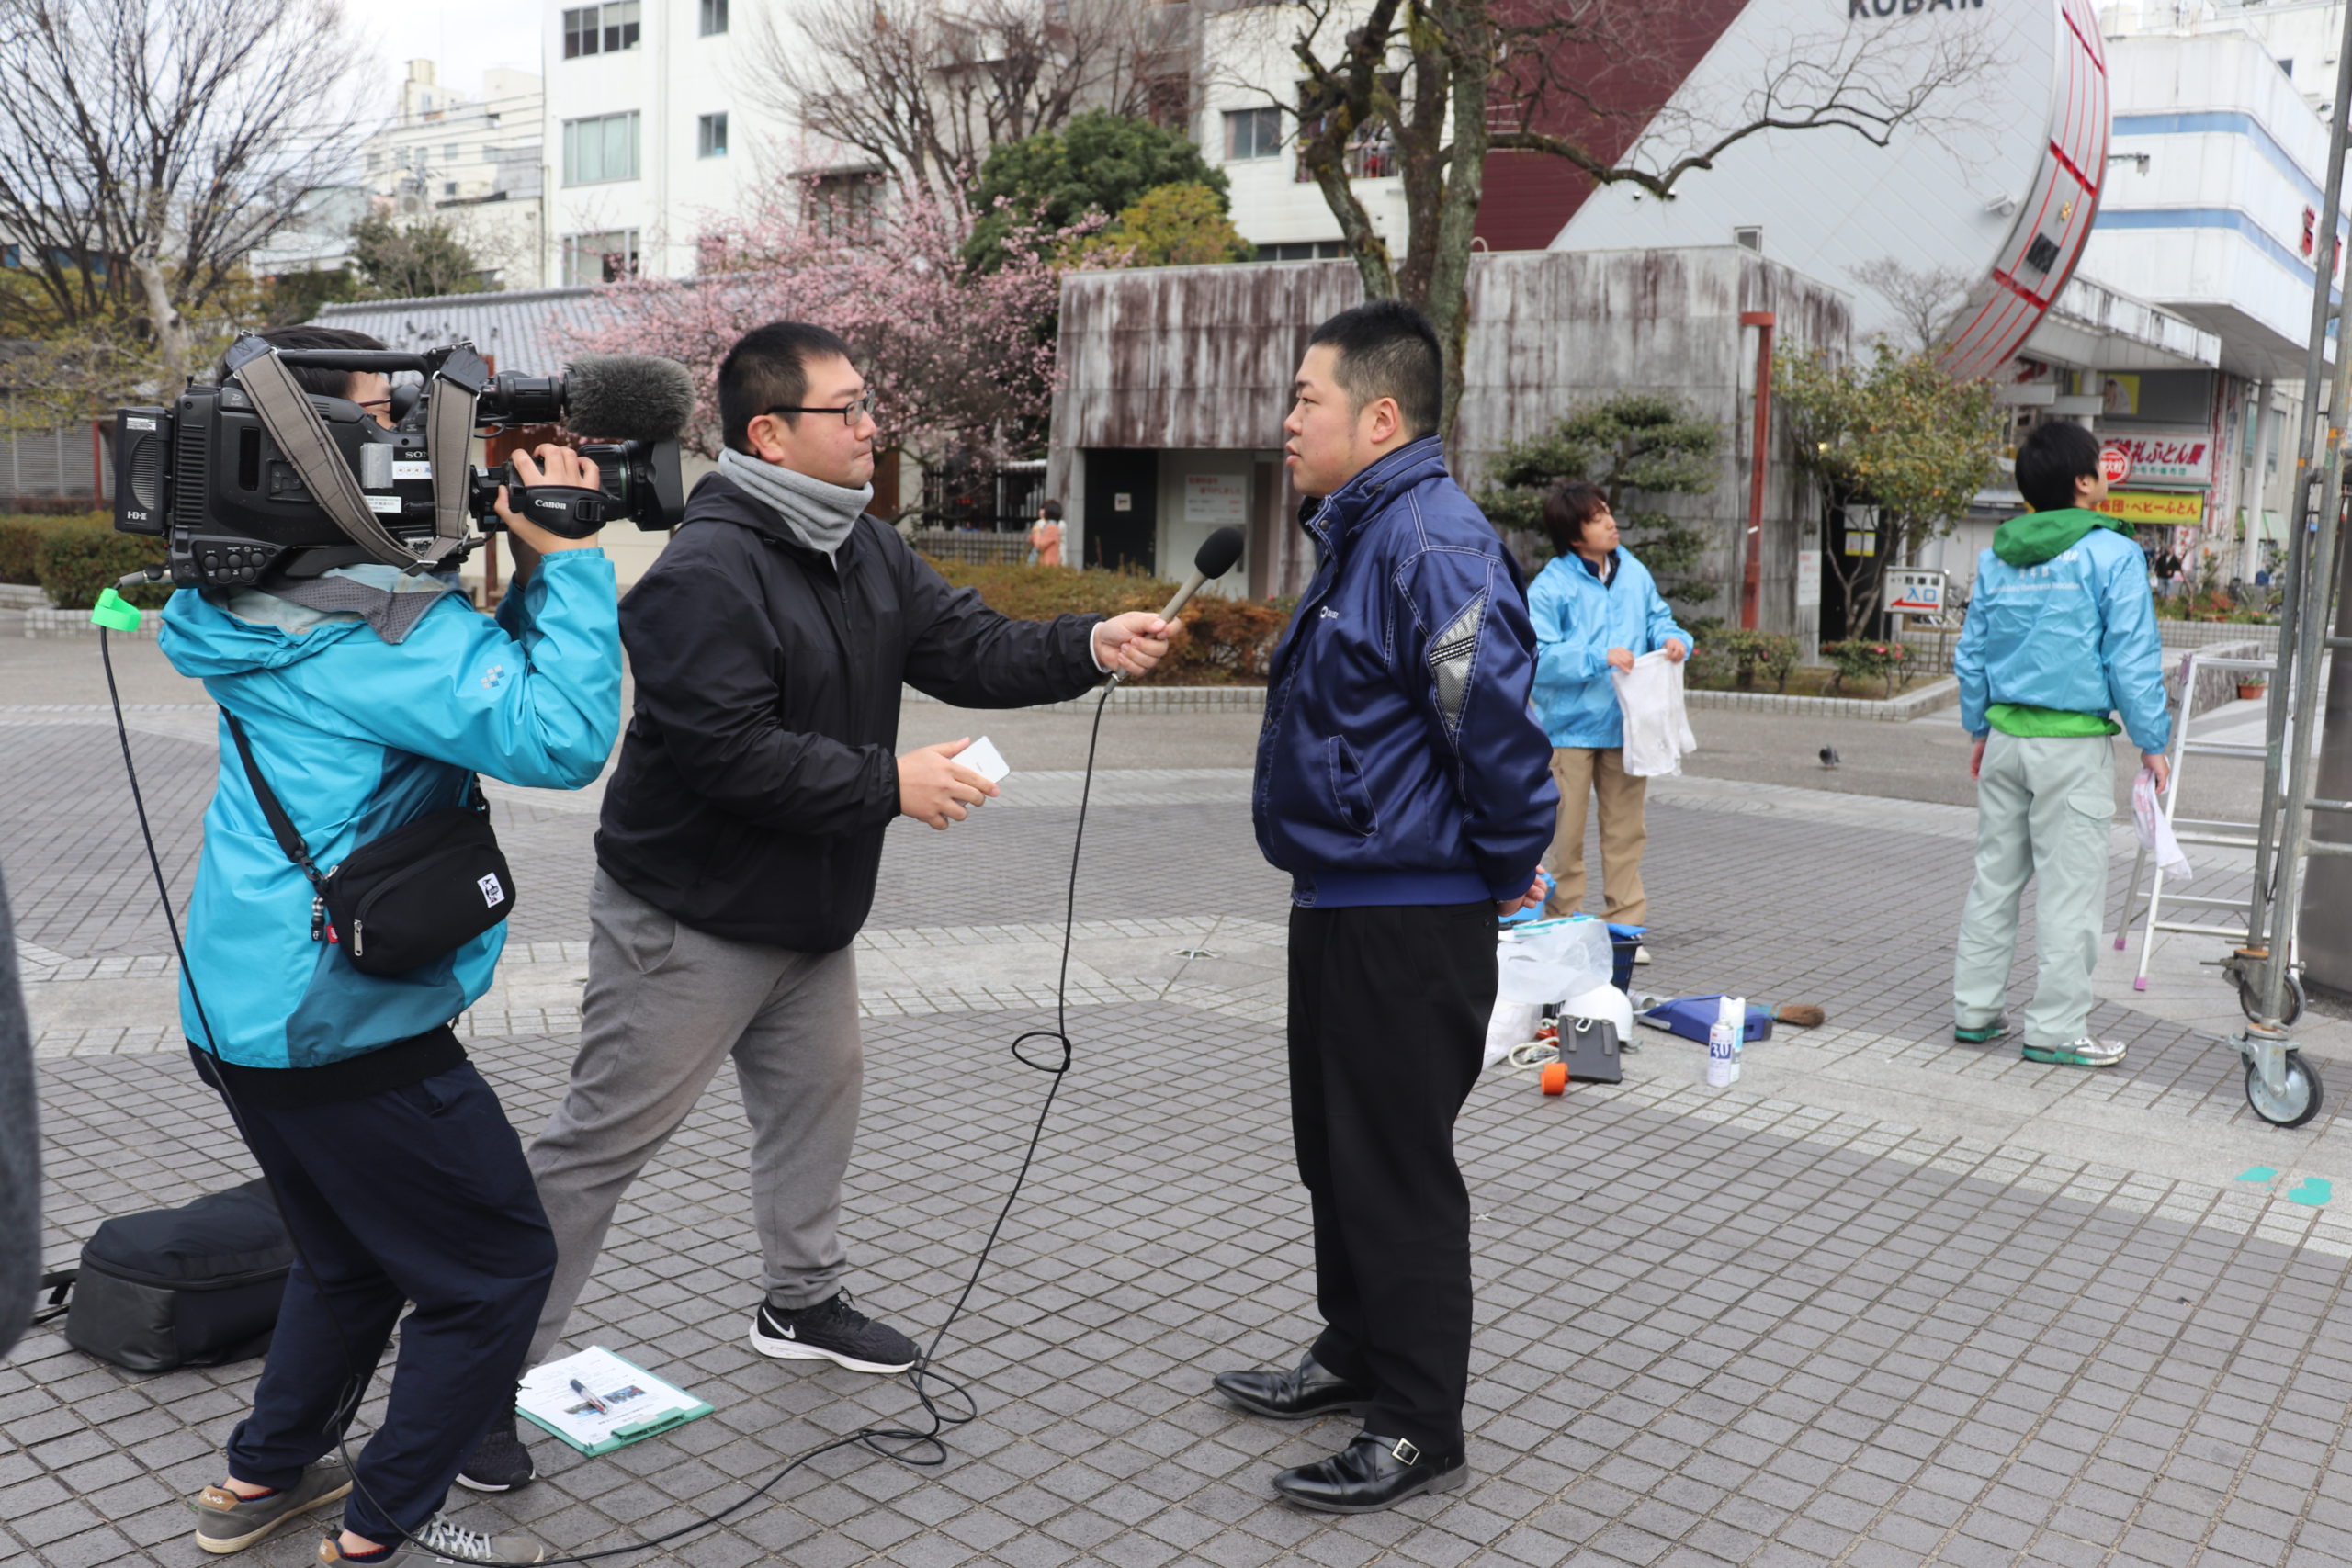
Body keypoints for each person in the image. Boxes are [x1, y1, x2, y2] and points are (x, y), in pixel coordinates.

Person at [489, 321, 1173, 1483]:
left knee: (816, 1115)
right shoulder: (706, 570)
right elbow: (727, 755)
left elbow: (968, 646)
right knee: (597, 1149)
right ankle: (476, 1381)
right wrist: (888, 784)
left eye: (869, 406)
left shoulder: (864, 546)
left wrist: (1090, 644)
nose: (872, 428)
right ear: (770, 434)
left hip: (808, 912)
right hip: (688, 921)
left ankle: (798, 1304)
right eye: (847, 409)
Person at [170, 326, 621, 1563]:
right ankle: (381, 1526)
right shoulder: (374, 628)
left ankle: (260, 1477)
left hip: (242, 1006)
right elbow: (561, 733)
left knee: (349, 1252)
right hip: (339, 1024)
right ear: (296, 463)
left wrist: (509, 552)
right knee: (494, 1268)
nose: (410, 456)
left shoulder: (243, 601)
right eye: (378, 427)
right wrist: (572, 559)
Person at [1212, 300, 1555, 1513]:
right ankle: (1354, 1347)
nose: (1289, 419)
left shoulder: (1434, 542)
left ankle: (1418, 1420)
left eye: (1307, 397)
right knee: (1337, 1152)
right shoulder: (1365, 532)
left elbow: (1499, 730)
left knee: (1395, 1166)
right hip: (1342, 897)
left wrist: (1508, 864)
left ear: (1382, 414)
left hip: (1408, 910)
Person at [1952, 420, 2171, 1069]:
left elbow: (1972, 656)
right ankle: (2054, 1029)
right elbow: (2131, 658)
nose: (2106, 469)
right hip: (2071, 745)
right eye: (2098, 463)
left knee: (1994, 880)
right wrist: (2152, 741)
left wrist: (1978, 728)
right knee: (2070, 892)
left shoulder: (1999, 556)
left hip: (2006, 740)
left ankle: (1974, 1011)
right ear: (2083, 481)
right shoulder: (2112, 554)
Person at [1527, 480, 1691, 928]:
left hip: (1627, 724)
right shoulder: (1551, 585)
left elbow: (1658, 617)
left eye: (1608, 512)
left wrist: (1674, 639)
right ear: (1574, 536)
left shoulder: (1634, 572)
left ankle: (1625, 927)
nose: (1611, 522)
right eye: (1598, 517)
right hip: (1568, 729)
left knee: (1627, 833)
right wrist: (1597, 658)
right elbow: (1535, 656)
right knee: (1565, 838)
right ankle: (1561, 925)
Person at [1028, 499, 1065, 567]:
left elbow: (1039, 545)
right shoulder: (1048, 525)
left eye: (1044, 509)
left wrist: (1037, 531)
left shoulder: (1052, 527)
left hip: (1047, 566)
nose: (1041, 511)